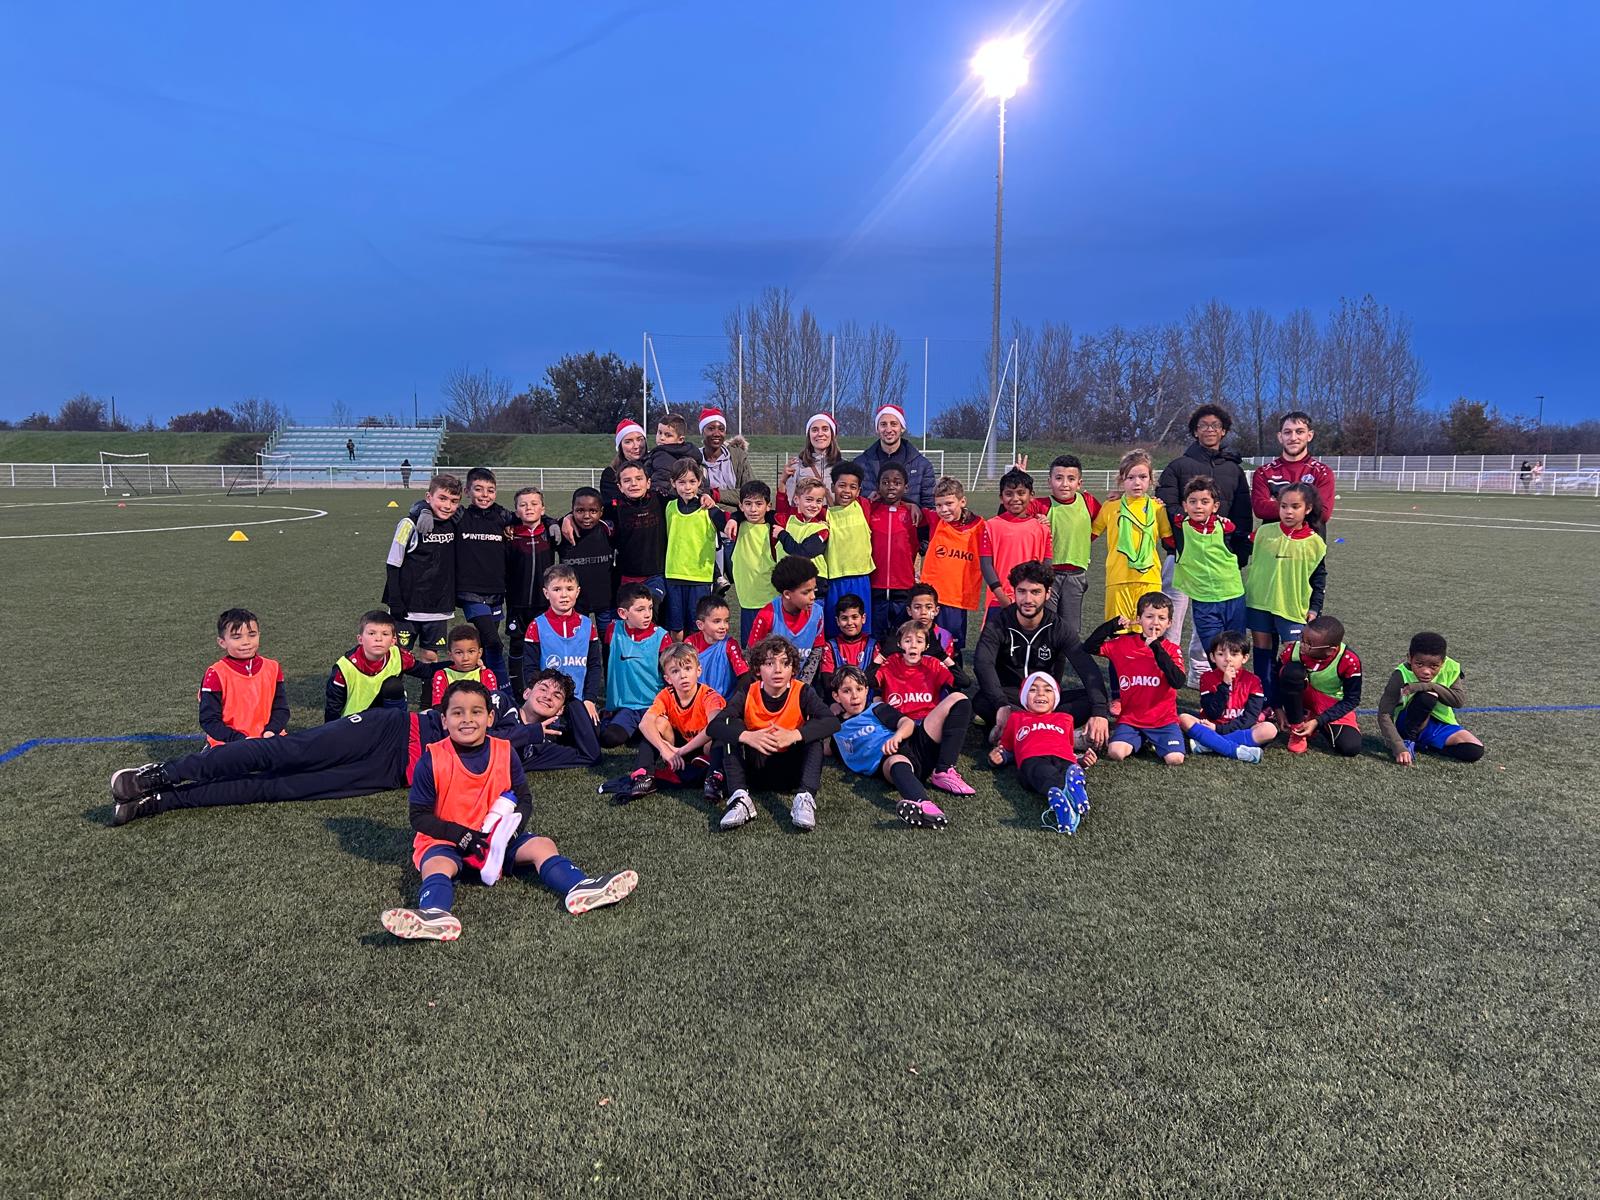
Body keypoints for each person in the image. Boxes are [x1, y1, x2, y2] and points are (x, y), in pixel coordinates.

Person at [380, 681, 637, 941]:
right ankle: (434, 913)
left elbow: (524, 798)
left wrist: (509, 835)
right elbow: (419, 817)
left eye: (476, 712)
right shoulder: (432, 759)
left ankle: (579, 887)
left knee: (542, 845)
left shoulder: (504, 751)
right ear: (444, 720)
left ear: (490, 717)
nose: (467, 719)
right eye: (457, 713)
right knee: (437, 865)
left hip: (497, 841)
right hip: (448, 840)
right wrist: (462, 836)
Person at [111, 697, 465, 825]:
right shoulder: (489, 701)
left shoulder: (500, 746)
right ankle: (161, 774)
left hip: (392, 773)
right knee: (281, 752)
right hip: (392, 730)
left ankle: (161, 801)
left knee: (278, 787)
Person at [1156, 406, 1253, 680]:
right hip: (1182, 557)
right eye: (1203, 425)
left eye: (1215, 425)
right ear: (1195, 431)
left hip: (1220, 562)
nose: (1210, 430)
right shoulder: (1178, 466)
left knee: (1209, 623)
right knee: (1171, 615)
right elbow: (1166, 503)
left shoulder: (1234, 470)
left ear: (1224, 431)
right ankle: (1168, 669)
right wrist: (1188, 532)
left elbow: (1243, 513)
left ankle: (1200, 671)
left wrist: (1238, 550)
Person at [708, 635, 841, 832]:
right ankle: (740, 798)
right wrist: (748, 736)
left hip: (792, 772)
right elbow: (714, 727)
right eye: (769, 663)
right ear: (758, 669)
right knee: (730, 726)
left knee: (814, 731)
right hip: (756, 769)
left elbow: (832, 722)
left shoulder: (803, 691)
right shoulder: (748, 691)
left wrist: (795, 735)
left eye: (785, 664)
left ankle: (805, 797)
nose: (778, 670)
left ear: (793, 670)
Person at [973, 561, 1111, 749]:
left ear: (1047, 594)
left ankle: (1019, 733)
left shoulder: (1058, 627)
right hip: (1011, 698)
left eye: (1035, 592)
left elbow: (1087, 668)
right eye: (1022, 591)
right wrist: (1001, 704)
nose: (1028, 599)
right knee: (982, 700)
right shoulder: (999, 624)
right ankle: (1059, 734)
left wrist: (1099, 712)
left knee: (1091, 699)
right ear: (1014, 592)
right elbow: (983, 664)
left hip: (1045, 699)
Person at [830, 665, 972, 829]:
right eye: (847, 691)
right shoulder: (836, 730)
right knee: (896, 761)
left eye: (859, 689)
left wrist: (897, 736)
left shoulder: (876, 709)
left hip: (915, 744)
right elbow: (826, 747)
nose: (855, 696)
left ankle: (944, 770)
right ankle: (924, 806)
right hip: (890, 760)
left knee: (958, 698)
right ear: (836, 696)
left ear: (867, 691)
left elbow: (907, 723)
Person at [601, 641, 726, 803]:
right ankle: (644, 775)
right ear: (667, 678)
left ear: (698, 671)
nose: (683, 675)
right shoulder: (666, 694)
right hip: (679, 745)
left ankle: (714, 777)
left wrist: (680, 751)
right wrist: (665, 750)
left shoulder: (710, 696)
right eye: (675, 671)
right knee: (657, 723)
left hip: (701, 747)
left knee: (719, 732)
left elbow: (714, 726)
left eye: (688, 668)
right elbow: (644, 723)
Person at [1243, 482, 1326, 695]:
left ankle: (1292, 703)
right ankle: (1266, 700)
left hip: (1292, 607)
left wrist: (1315, 607)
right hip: (1259, 603)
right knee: (1263, 655)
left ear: (1308, 508)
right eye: (1283, 506)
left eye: (1295, 506)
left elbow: (1319, 578)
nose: (1288, 511)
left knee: (1294, 661)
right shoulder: (1263, 532)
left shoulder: (1315, 542)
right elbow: (1236, 547)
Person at [873, 622, 976, 795]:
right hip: (898, 734)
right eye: (908, 640)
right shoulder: (890, 663)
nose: (913, 645)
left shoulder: (933, 664)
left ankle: (944, 770)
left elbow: (964, 682)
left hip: (926, 731)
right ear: (899, 644)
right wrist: (882, 655)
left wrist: (942, 655)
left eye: (919, 641)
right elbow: (865, 682)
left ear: (927, 646)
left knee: (960, 699)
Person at [1085, 592, 1187, 765]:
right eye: (1149, 616)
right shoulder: (1123, 644)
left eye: (1162, 618)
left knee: (1175, 759)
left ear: (1169, 623)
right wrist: (1112, 625)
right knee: (1116, 752)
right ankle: (1141, 739)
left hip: (1164, 721)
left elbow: (1177, 681)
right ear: (1139, 619)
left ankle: (1157, 739)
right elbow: (1089, 647)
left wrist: (1156, 648)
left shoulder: (1171, 649)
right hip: (1131, 719)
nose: (1155, 622)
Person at [988, 673, 1094, 835]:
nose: (1040, 694)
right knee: (1043, 772)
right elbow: (1007, 748)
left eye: (1047, 690)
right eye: (1033, 690)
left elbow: (1068, 748)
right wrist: (998, 758)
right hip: (1032, 759)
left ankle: (1070, 808)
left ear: (1056, 698)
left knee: (1070, 770)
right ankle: (1069, 799)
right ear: (1024, 697)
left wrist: (1081, 761)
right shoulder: (1016, 718)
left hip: (1064, 758)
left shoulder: (1065, 718)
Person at [1170, 476, 1247, 684]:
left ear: (1215, 506)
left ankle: (1237, 694)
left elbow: (1243, 544)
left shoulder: (1226, 527)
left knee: (1236, 650)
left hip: (1233, 596)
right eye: (1193, 501)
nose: (1198, 506)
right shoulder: (1180, 526)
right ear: (1185, 505)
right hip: (1203, 600)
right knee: (1214, 651)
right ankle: (1221, 691)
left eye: (1205, 502)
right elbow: (1155, 507)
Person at [383, 473, 461, 661]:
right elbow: (393, 563)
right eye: (442, 498)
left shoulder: (455, 522)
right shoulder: (408, 524)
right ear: (428, 497)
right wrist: (395, 601)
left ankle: (429, 683)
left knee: (430, 655)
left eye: (454, 501)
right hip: (409, 606)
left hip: (438, 607)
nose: (447, 505)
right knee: (397, 656)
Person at [921, 476, 1001, 658]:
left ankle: (955, 676)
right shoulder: (934, 519)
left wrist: (1039, 517)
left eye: (949, 503)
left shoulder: (980, 526)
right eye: (939, 505)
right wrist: (911, 506)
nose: (944, 509)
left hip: (956, 599)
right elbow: (912, 505)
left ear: (962, 501)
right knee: (925, 643)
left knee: (952, 648)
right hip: (930, 597)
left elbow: (1004, 524)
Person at [1092, 450, 1174, 626]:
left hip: (1149, 579)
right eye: (1130, 477)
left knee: (1147, 631)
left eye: (1143, 477)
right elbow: (1089, 535)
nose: (1137, 483)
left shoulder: (1157, 508)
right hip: (1118, 578)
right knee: (1117, 630)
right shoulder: (1110, 506)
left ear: (1151, 480)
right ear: (1121, 480)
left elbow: (1170, 540)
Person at [1377, 631, 1485, 765]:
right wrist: (1398, 746)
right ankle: (1408, 740)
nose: (1426, 671)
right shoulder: (1400, 674)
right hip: (1407, 723)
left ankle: (1425, 745)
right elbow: (1384, 714)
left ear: (1443, 662)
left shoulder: (1451, 667)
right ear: (1409, 658)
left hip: (1438, 723)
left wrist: (1427, 686)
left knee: (1475, 750)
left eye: (1434, 666)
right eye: (1419, 664)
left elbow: (1458, 701)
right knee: (1427, 697)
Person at [453, 468, 518, 685]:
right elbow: (430, 506)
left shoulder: (501, 516)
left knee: (486, 644)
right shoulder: (460, 515)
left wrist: (555, 521)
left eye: (490, 490)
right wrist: (422, 510)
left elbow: (527, 516)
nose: (485, 495)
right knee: (494, 643)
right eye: (478, 489)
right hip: (470, 593)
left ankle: (483, 686)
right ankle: (504, 691)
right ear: (467, 491)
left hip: (496, 592)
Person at [1178, 630, 1277, 762]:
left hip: (1237, 729)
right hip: (1210, 726)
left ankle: (1208, 745)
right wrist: (1225, 684)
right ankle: (1236, 751)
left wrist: (1220, 730)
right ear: (1212, 657)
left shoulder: (1253, 681)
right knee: (1183, 719)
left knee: (1269, 729)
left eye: (1234, 654)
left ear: (1245, 658)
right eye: (1221, 654)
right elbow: (1212, 713)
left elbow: (1249, 718)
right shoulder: (1207, 678)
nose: (1227, 659)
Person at [520, 566, 603, 719]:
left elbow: (594, 666)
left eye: (569, 589)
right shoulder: (536, 626)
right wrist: (535, 692)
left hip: (579, 700)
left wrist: (590, 699)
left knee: (591, 729)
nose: (564, 595)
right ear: (546, 593)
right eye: (557, 589)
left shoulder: (587, 625)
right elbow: (530, 667)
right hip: (548, 701)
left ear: (577, 592)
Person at [325, 609, 437, 721]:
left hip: (384, 719)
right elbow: (333, 707)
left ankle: (398, 723)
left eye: (385, 634)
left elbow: (426, 671)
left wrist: (448, 665)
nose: (378, 639)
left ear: (393, 641)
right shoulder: (344, 668)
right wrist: (332, 730)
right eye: (371, 633)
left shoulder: (398, 655)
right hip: (353, 722)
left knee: (393, 686)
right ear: (360, 639)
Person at [197, 607, 288, 746]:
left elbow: (281, 709)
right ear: (222, 642)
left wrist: (271, 731)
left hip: (269, 739)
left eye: (252, 635)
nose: (246, 642)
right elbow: (209, 720)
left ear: (259, 635)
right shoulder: (216, 674)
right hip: (232, 744)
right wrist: (239, 739)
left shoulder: (273, 667)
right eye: (237, 637)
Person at [1276, 615, 1362, 756]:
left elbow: (1352, 700)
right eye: (1302, 638)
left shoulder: (1349, 660)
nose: (1302, 645)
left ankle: (1313, 720)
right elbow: (1275, 680)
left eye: (1309, 643)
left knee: (1350, 747)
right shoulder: (1292, 651)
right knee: (1292, 672)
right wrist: (1277, 708)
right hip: (1303, 696)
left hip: (1329, 702)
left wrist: (1318, 721)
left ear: (1331, 650)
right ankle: (1297, 730)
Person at [600, 582, 668, 749]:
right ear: (623, 613)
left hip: (652, 706)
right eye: (640, 610)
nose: (647, 614)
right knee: (609, 738)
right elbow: (608, 666)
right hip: (626, 708)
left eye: (650, 608)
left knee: (653, 737)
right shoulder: (613, 631)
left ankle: (639, 731)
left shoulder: (662, 637)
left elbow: (669, 678)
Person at [498, 667, 603, 771]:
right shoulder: (502, 703)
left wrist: (573, 702)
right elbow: (487, 741)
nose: (548, 696)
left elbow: (590, 756)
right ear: (527, 693)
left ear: (560, 710)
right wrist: (530, 733)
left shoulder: (543, 746)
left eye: (557, 696)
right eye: (543, 689)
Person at [744, 554, 828, 682]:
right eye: (806, 592)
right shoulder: (767, 615)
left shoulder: (817, 613)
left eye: (814, 590)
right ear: (787, 594)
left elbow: (816, 652)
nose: (813, 597)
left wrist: (802, 686)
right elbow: (751, 656)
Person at [1044, 455, 1101, 643]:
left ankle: (1061, 661)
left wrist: (1119, 497)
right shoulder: (1041, 505)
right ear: (1049, 481)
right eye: (1058, 478)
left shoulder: (1088, 502)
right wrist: (1017, 476)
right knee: (1046, 624)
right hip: (1048, 575)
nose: (1064, 484)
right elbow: (1011, 512)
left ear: (1079, 483)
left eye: (1071, 479)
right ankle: (1044, 661)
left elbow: (1110, 515)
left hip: (1076, 575)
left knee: (1070, 629)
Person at [1252, 410, 1336, 535]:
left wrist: (1276, 504)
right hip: (1273, 543)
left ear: (1309, 435)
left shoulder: (1322, 472)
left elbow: (1323, 513)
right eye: (1287, 432)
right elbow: (1260, 509)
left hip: (1309, 543)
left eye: (1299, 432)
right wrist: (1306, 504)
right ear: (1280, 437)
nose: (1293, 438)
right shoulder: (1264, 472)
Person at [662, 459, 721, 638]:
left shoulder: (709, 509)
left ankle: (696, 656)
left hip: (700, 577)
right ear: (673, 483)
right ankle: (677, 655)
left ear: (699, 482)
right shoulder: (669, 507)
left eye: (692, 481)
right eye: (681, 482)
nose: (687, 487)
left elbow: (727, 522)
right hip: (674, 574)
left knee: (697, 627)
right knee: (676, 628)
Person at [865, 462, 921, 642]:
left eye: (897, 482)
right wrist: (869, 501)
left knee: (902, 636)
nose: (891, 486)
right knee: (876, 636)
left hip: (903, 585)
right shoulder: (869, 511)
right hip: (875, 584)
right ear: (877, 486)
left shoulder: (913, 514)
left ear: (906, 487)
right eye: (885, 482)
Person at [986, 466, 1051, 613]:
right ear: (1001, 497)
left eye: (1021, 493)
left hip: (1030, 599)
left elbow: (1047, 564)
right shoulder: (990, 526)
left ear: (1031, 495)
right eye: (1009, 494)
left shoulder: (1042, 528)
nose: (1015, 499)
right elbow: (986, 565)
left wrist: (1043, 589)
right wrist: (1001, 597)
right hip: (999, 600)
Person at [608, 461, 668, 614]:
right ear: (620, 487)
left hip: (656, 574)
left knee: (651, 610)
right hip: (627, 576)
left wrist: (705, 497)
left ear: (648, 483)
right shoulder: (613, 508)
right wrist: (567, 519)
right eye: (627, 480)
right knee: (631, 616)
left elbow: (687, 499)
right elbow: (588, 511)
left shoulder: (661, 500)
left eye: (639, 479)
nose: (633, 484)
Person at [557, 486, 616, 642]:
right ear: (572, 510)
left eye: (593, 511)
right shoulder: (563, 531)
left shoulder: (608, 530)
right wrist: (566, 518)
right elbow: (544, 523)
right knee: (578, 643)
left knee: (608, 642)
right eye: (580, 510)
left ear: (601, 512)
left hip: (606, 601)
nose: (587, 516)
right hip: (575, 602)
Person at [823, 461, 874, 637]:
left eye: (853, 487)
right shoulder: (823, 513)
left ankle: (862, 655)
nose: (847, 491)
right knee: (835, 627)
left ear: (859, 491)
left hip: (860, 578)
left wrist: (912, 505)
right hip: (834, 580)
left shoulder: (864, 506)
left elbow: (891, 500)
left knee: (860, 627)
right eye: (842, 485)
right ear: (832, 487)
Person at [725, 480, 779, 644]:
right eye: (748, 504)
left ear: (768, 506)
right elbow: (713, 511)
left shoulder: (775, 529)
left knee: (775, 649)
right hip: (748, 604)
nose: (753, 509)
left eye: (758, 504)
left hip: (773, 603)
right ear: (741, 506)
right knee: (751, 651)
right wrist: (734, 517)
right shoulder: (736, 527)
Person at [855, 402, 936, 508]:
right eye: (883, 424)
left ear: (902, 428)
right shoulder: (860, 464)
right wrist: (868, 502)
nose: (888, 430)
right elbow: (854, 504)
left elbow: (929, 507)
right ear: (877, 429)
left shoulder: (923, 465)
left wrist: (910, 507)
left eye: (893, 424)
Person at [685, 593, 749, 700]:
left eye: (726, 621)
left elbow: (743, 675)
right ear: (700, 625)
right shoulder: (690, 644)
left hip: (725, 702)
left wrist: (735, 702)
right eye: (717, 621)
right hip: (698, 701)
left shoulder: (730, 645)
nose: (723, 626)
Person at [779, 478, 831, 599]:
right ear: (796, 500)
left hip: (815, 587)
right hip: (790, 583)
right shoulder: (788, 521)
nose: (814, 505)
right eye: (809, 499)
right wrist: (736, 517)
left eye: (819, 501)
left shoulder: (822, 529)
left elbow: (802, 553)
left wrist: (782, 534)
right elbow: (770, 511)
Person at [781, 412, 842, 514]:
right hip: (806, 523)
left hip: (835, 522)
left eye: (825, 429)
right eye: (814, 430)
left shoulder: (843, 467)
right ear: (808, 435)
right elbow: (789, 505)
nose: (820, 434)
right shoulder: (796, 465)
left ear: (832, 434)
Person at [428, 625, 500, 709]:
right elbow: (438, 707)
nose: (465, 658)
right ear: (450, 655)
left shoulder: (487, 675)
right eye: (459, 653)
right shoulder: (442, 676)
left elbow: (493, 705)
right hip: (452, 717)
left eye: (471, 651)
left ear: (479, 653)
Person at [697, 406, 752, 507]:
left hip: (737, 514)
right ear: (702, 432)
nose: (717, 434)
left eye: (721, 429)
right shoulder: (694, 461)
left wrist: (715, 494)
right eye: (711, 429)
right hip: (705, 513)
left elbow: (751, 491)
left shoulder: (738, 457)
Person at [824, 593, 878, 693]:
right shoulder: (830, 647)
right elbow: (828, 683)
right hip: (840, 701)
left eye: (854, 617)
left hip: (868, 700)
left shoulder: (874, 645)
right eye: (844, 618)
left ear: (863, 618)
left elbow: (877, 681)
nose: (849, 623)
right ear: (837, 621)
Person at [646, 412, 706, 499]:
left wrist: (653, 493)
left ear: (680, 439)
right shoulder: (690, 454)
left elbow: (661, 478)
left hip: (663, 498)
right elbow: (703, 481)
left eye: (668, 435)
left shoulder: (661, 455)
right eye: (659, 432)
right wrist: (706, 493)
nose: (662, 438)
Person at [600, 418, 650, 507]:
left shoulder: (656, 465)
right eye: (628, 442)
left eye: (639, 439)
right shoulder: (610, 473)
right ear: (620, 447)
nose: (636, 446)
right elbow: (610, 506)